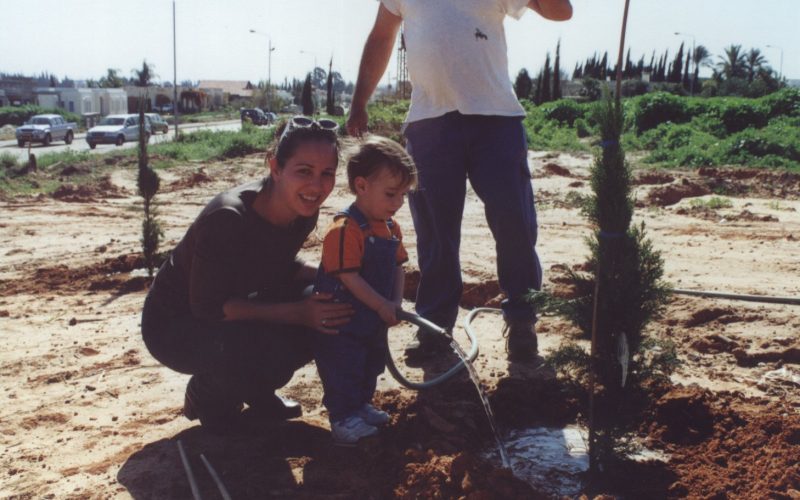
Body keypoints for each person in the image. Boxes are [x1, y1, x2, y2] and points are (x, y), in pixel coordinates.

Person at [347, 0, 573, 362]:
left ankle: (522, 321)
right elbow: (381, 37)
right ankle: (435, 329)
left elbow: (561, 11)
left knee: (514, 222)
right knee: (436, 233)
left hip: (497, 120)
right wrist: (359, 101)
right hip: (430, 121)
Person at [141, 117, 353, 433]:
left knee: (329, 303)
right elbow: (208, 307)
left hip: (231, 308)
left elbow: (277, 267)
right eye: (304, 171)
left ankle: (256, 392)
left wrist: (337, 276)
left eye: (327, 174)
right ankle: (210, 395)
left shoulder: (302, 210)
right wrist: (299, 313)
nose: (316, 186)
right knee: (273, 345)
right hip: (176, 326)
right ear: (276, 168)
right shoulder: (228, 217)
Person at [313, 136, 416, 445]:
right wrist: (382, 304)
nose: (397, 203)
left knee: (370, 363)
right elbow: (349, 277)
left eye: (403, 195)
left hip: (372, 318)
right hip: (342, 321)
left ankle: (360, 406)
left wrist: (394, 302)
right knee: (344, 367)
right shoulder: (345, 229)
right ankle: (342, 418)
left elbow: (398, 266)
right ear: (361, 186)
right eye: (390, 194)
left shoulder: (390, 226)